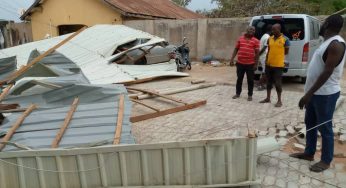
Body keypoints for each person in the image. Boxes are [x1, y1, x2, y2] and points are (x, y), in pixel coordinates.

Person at [289, 14, 345, 172]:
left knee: (324, 127)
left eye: (322, 22)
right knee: (310, 124)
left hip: (325, 95)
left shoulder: (336, 45)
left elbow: (327, 72)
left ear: (326, 24)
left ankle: (326, 161)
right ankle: (309, 153)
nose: (320, 25)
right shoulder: (326, 42)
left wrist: (308, 94)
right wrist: (309, 93)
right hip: (315, 94)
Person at [260, 24, 290, 107]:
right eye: (272, 30)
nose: (273, 31)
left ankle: (279, 101)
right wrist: (266, 61)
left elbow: (286, 52)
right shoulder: (270, 39)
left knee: (278, 83)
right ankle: (268, 98)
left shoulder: (285, 39)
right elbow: (268, 50)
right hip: (269, 64)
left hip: (278, 65)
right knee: (268, 82)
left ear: (279, 29)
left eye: (274, 29)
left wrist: (278, 57)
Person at [230, 26, 260, 101]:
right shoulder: (240, 39)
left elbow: (257, 54)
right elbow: (236, 49)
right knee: (239, 79)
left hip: (250, 64)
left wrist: (256, 64)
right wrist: (232, 59)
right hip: (240, 63)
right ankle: (237, 93)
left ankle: (250, 95)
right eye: (251, 29)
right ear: (246, 30)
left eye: (254, 30)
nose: (252, 31)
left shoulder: (256, 41)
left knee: (250, 80)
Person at [257, 24, 272, 90]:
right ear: (271, 30)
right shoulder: (267, 37)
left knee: (266, 71)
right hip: (264, 56)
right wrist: (258, 55)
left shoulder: (264, 35)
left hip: (263, 56)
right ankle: (260, 84)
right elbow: (264, 47)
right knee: (265, 71)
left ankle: (265, 84)